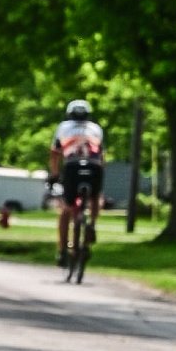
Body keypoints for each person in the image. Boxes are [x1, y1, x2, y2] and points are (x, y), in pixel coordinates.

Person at [49, 100, 105, 262]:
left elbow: (55, 152)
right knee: (96, 196)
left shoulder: (63, 127)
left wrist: (54, 174)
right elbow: (102, 155)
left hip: (72, 166)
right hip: (94, 166)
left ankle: (62, 251)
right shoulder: (96, 128)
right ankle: (92, 224)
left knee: (66, 208)